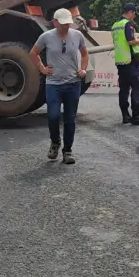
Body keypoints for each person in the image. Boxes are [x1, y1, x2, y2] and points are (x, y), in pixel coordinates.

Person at [30, 8, 89, 164]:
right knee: (53, 116)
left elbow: (84, 53)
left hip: (72, 83)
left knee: (70, 119)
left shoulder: (77, 36)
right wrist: (42, 68)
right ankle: (55, 142)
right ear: (55, 22)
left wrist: (83, 69)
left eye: (68, 23)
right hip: (53, 84)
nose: (66, 26)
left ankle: (67, 151)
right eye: (62, 24)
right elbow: (33, 53)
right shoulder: (46, 37)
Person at [111, 3, 139, 126]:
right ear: (130, 12)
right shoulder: (127, 24)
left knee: (124, 90)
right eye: (134, 13)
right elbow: (130, 41)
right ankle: (136, 117)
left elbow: (119, 42)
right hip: (131, 61)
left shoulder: (115, 25)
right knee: (136, 88)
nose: (134, 16)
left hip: (121, 62)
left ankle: (125, 115)